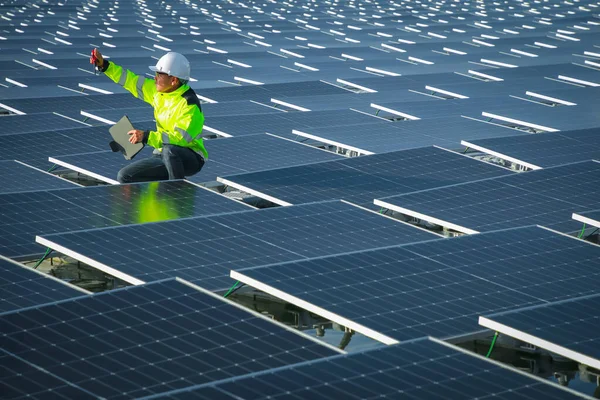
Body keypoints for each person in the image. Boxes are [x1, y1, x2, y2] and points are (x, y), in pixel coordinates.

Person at [90, 49, 207, 183]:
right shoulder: (159, 92)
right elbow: (130, 80)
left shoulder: (189, 104)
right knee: (125, 176)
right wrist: (105, 66)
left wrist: (146, 136)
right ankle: (157, 198)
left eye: (159, 75)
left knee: (171, 150)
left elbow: (180, 139)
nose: (155, 78)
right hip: (163, 154)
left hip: (190, 157)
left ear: (173, 80)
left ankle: (176, 194)